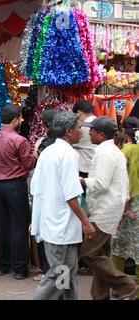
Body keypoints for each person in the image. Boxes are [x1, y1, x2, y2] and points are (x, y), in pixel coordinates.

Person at [30, 111, 96, 300]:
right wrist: (85, 221)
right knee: (60, 273)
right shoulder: (67, 154)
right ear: (68, 131)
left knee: (67, 273)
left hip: (55, 222)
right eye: (78, 128)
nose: (81, 132)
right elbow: (71, 195)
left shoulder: (49, 151)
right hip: (60, 225)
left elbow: (36, 189)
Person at [79, 116, 138, 300]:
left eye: (92, 130)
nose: (89, 133)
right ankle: (100, 296)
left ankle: (125, 284)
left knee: (88, 253)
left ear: (101, 134)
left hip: (104, 210)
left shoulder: (105, 153)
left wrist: (81, 180)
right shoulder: (114, 151)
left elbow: (101, 184)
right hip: (110, 207)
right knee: (101, 255)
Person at [0, 105, 38, 280]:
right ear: (16, 120)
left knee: (0, 226)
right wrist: (36, 153)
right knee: (19, 227)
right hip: (15, 185)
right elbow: (29, 164)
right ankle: (19, 268)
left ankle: (1, 266)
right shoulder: (20, 141)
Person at [111, 116, 139, 299]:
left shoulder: (124, 152)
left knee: (118, 245)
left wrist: (124, 209)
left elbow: (122, 182)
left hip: (128, 203)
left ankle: (118, 287)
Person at [31, 108, 58, 281]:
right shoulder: (66, 148)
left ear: (43, 124)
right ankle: (56, 277)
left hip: (43, 194)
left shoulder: (41, 145)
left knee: (43, 232)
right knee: (58, 240)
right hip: (57, 198)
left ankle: (48, 272)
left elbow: (34, 170)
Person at [72, 100, 97, 276]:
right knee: (91, 215)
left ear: (79, 112)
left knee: (83, 216)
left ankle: (85, 259)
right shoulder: (100, 124)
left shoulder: (83, 128)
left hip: (83, 176)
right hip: (95, 173)